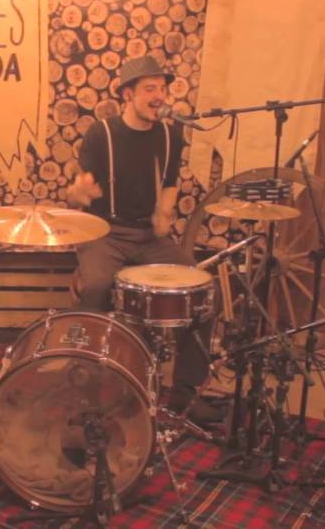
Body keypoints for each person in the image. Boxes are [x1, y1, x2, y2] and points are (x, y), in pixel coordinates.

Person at [66, 55, 217, 423]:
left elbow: (169, 182)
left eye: (162, 88)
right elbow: (77, 193)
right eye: (150, 88)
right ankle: (80, 385)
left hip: (148, 237)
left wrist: (164, 210)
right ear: (128, 95)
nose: (159, 95)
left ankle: (184, 391)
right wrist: (79, 193)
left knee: (203, 293)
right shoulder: (101, 134)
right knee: (96, 286)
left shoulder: (170, 134)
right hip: (105, 233)